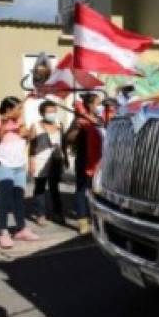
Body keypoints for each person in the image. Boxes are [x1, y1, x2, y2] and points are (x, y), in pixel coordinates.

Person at [0, 96, 37, 248]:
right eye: (18, 109)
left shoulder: (20, 123)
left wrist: (30, 133)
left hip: (19, 167)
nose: (21, 111)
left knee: (19, 199)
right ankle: (2, 232)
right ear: (9, 110)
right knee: (5, 200)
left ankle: (21, 229)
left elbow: (29, 136)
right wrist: (4, 124)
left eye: (21, 108)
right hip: (3, 166)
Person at [65, 92, 101, 235]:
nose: (99, 106)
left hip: (99, 161)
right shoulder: (79, 120)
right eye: (98, 103)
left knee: (96, 191)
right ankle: (83, 220)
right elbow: (68, 138)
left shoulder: (98, 118)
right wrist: (76, 129)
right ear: (90, 105)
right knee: (81, 189)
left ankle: (96, 218)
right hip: (84, 160)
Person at [28, 100, 66, 226]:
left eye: (54, 111)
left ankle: (58, 212)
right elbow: (32, 146)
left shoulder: (59, 124)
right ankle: (40, 214)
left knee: (54, 187)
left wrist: (64, 158)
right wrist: (31, 162)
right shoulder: (36, 126)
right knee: (40, 188)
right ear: (42, 113)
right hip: (40, 161)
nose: (52, 114)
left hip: (56, 160)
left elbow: (63, 143)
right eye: (49, 112)